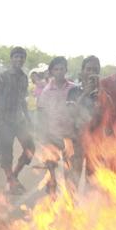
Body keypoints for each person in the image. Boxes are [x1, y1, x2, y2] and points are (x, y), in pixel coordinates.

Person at [67, 55, 115, 183]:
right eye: (88, 69)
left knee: (93, 178)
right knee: (74, 176)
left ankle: (90, 203)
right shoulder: (74, 91)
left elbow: (109, 115)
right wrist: (85, 94)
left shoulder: (103, 94)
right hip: (77, 140)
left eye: (95, 70)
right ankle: (71, 203)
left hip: (96, 141)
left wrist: (100, 91)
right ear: (82, 71)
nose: (91, 73)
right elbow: (71, 113)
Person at [0, 47, 35, 194]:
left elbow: (22, 100)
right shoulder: (3, 76)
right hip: (5, 120)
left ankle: (14, 176)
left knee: (30, 148)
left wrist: (28, 118)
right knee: (6, 153)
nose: (19, 59)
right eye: (16, 57)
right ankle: (11, 181)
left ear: (24, 59)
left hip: (19, 120)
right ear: (11, 59)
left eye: (22, 57)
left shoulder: (24, 77)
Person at [37, 56, 76, 193]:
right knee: (51, 170)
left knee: (69, 171)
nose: (59, 71)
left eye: (62, 68)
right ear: (52, 72)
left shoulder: (74, 89)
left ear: (66, 70)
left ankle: (70, 201)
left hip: (69, 136)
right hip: (51, 136)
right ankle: (51, 199)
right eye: (56, 69)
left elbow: (79, 112)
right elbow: (42, 114)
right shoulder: (46, 91)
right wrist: (43, 137)